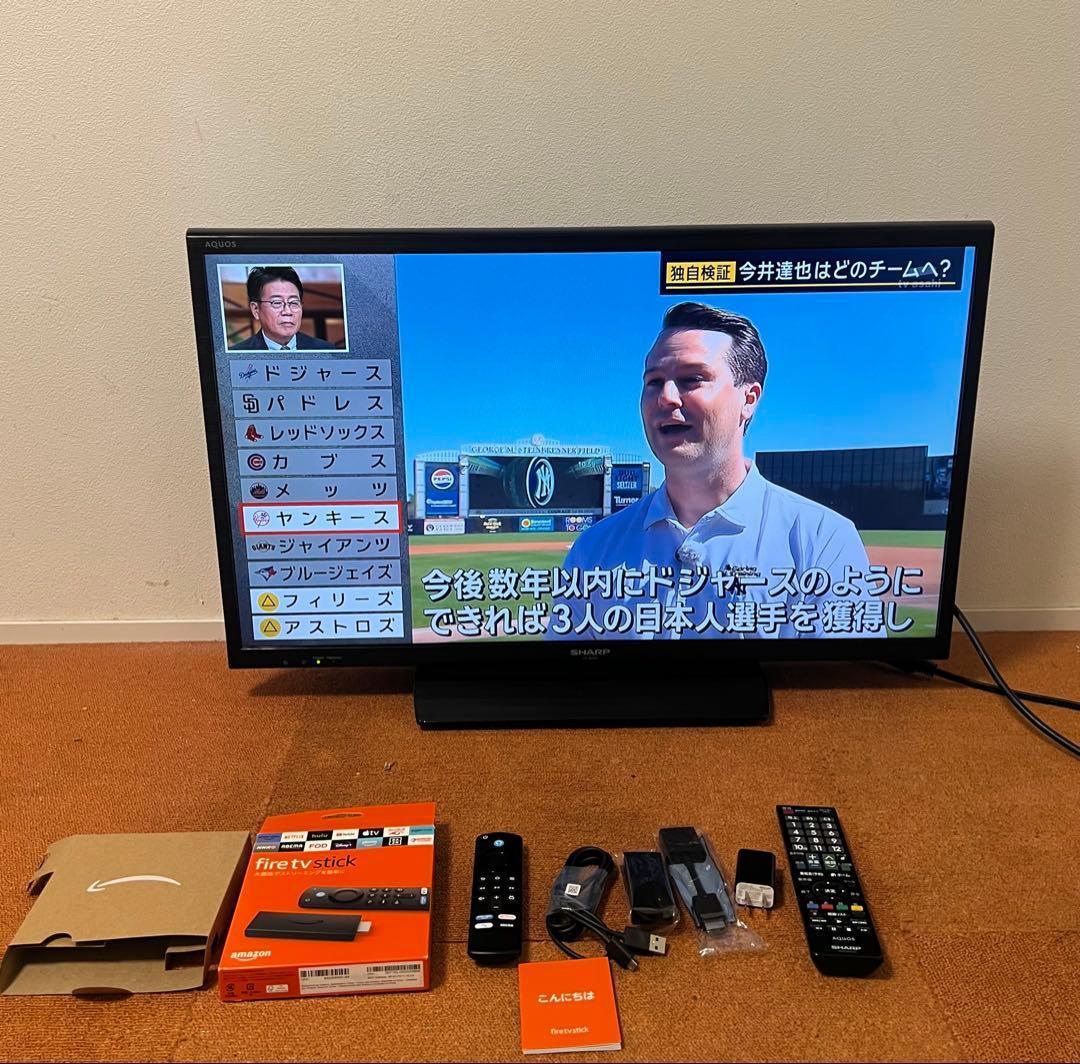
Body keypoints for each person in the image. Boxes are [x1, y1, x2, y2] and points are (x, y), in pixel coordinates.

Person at [548, 302, 879, 639]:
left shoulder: (822, 540)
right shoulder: (594, 549)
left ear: (749, 399)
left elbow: (844, 673)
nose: (666, 397)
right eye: (654, 381)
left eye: (692, 379)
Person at [231, 266, 335, 350]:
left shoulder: (325, 350)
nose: (287, 311)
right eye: (277, 303)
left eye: (294, 302)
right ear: (256, 310)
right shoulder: (239, 355)